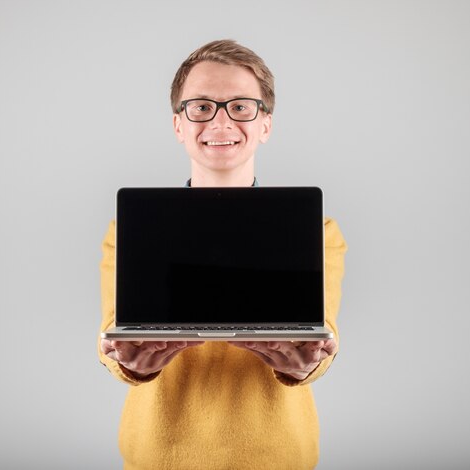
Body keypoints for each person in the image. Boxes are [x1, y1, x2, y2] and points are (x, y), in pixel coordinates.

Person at [98, 39, 347, 470]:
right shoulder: (130, 230)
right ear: (179, 125)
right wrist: (131, 364)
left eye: (240, 107)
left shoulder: (318, 230)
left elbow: (320, 340)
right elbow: (114, 339)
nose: (220, 121)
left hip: (276, 455)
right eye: (201, 107)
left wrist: (304, 365)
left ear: (265, 124)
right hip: (160, 454)